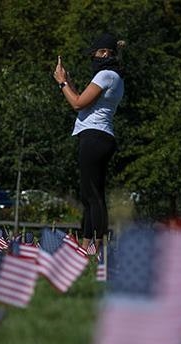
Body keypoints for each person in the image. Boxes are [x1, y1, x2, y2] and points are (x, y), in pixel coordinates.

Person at [53, 32, 125, 253]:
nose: (93, 58)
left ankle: (94, 247)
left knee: (92, 196)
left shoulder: (106, 75)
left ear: (104, 53)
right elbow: (83, 103)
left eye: (94, 54)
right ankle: (89, 247)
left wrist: (62, 82)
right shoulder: (115, 77)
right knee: (91, 195)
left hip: (94, 136)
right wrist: (69, 82)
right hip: (99, 136)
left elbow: (76, 104)